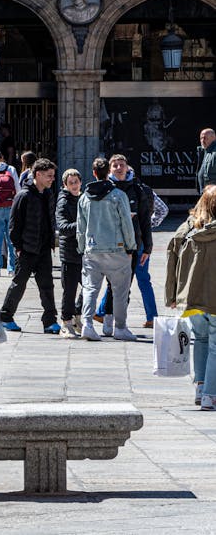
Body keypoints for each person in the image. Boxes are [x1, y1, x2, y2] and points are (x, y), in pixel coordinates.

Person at [165, 185, 216, 411]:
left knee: (201, 340)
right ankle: (210, 396)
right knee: (215, 344)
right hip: (213, 298)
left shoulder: (186, 229)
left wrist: (172, 295)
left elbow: (171, 260)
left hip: (190, 300)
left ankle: (200, 388)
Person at [76, 157, 137, 341]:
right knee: (120, 291)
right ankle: (120, 327)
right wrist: (130, 246)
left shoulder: (84, 197)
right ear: (107, 173)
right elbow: (127, 223)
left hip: (92, 249)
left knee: (90, 289)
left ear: (94, 173)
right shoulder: (118, 195)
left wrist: (81, 247)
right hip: (117, 249)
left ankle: (87, 324)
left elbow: (81, 227)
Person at [95, 154, 157, 330]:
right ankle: (107, 318)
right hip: (112, 245)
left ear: (128, 167)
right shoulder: (105, 188)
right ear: (109, 169)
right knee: (112, 283)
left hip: (135, 244)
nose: (119, 168)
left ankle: (119, 321)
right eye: (115, 165)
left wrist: (148, 247)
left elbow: (146, 220)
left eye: (122, 165)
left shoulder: (138, 190)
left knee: (129, 284)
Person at [0, 158, 58, 333]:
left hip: (44, 249)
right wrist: (18, 247)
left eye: (53, 176)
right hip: (26, 249)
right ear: (38, 175)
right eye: (49, 176)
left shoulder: (48, 194)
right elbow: (13, 225)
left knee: (47, 285)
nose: (52, 179)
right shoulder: (23, 195)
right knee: (19, 284)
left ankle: (49, 321)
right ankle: (5, 316)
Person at [54, 168, 84, 338]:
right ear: (65, 184)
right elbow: (63, 228)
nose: (74, 185)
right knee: (70, 290)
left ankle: (77, 315)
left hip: (84, 252)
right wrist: (82, 224)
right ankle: (66, 322)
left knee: (88, 287)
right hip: (70, 253)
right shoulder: (63, 202)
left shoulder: (84, 198)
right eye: (70, 182)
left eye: (76, 182)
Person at [197, 128, 216, 194]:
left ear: (213, 138)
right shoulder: (205, 151)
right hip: (206, 194)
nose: (202, 141)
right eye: (201, 138)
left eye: (205, 138)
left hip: (213, 194)